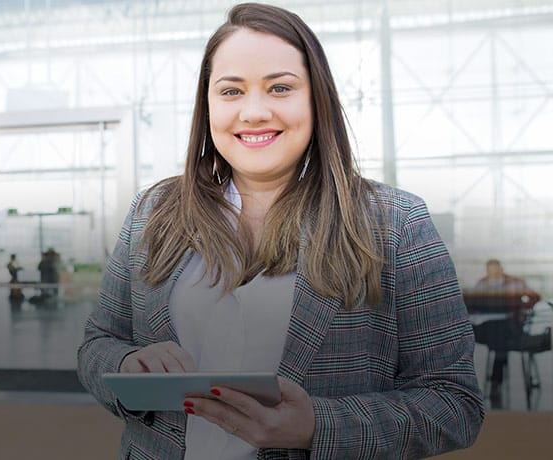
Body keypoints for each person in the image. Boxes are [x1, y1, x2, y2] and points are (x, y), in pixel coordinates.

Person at [77, 3, 484, 458]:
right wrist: (128, 365)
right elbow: (99, 344)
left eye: (280, 87)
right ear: (207, 105)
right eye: (231, 92)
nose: (253, 112)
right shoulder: (152, 212)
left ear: (316, 99)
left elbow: (455, 403)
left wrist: (316, 427)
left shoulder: (395, 224)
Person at [473, 259, 540, 408]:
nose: (493, 274)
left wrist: (521, 307)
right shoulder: (482, 284)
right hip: (487, 327)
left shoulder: (515, 282)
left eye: (496, 270)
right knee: (496, 334)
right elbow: (471, 304)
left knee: (499, 334)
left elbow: (535, 296)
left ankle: (496, 380)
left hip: (510, 326)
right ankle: (496, 379)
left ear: (501, 269)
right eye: (490, 271)